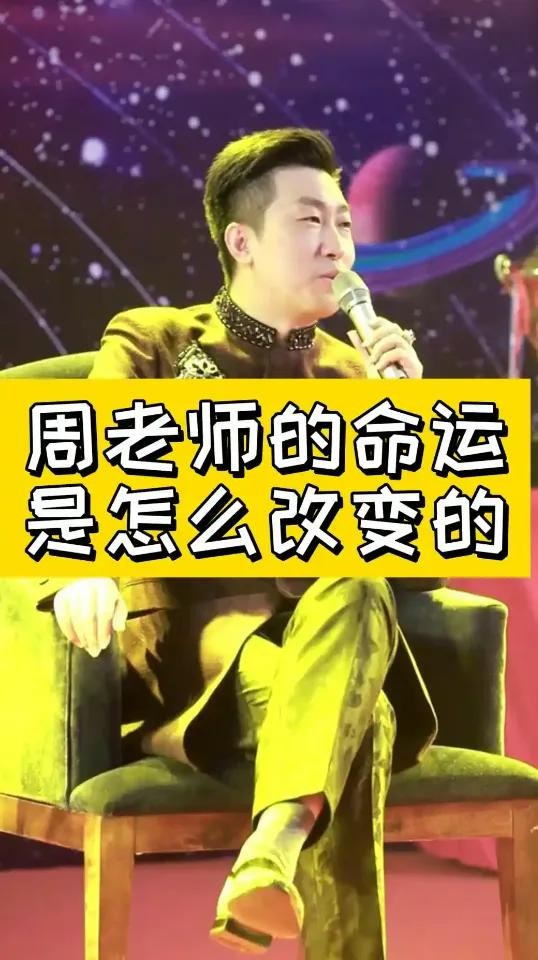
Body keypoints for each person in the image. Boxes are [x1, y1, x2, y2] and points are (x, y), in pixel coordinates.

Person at [36, 128, 438, 959]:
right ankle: (280, 846)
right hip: (196, 649)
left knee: (357, 590)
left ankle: (271, 849)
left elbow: (408, 564)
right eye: (309, 222)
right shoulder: (154, 339)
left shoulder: (354, 372)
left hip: (334, 628)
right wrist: (80, 565)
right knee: (365, 720)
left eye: (343, 222)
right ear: (242, 242)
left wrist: (410, 427)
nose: (338, 244)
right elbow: (79, 456)